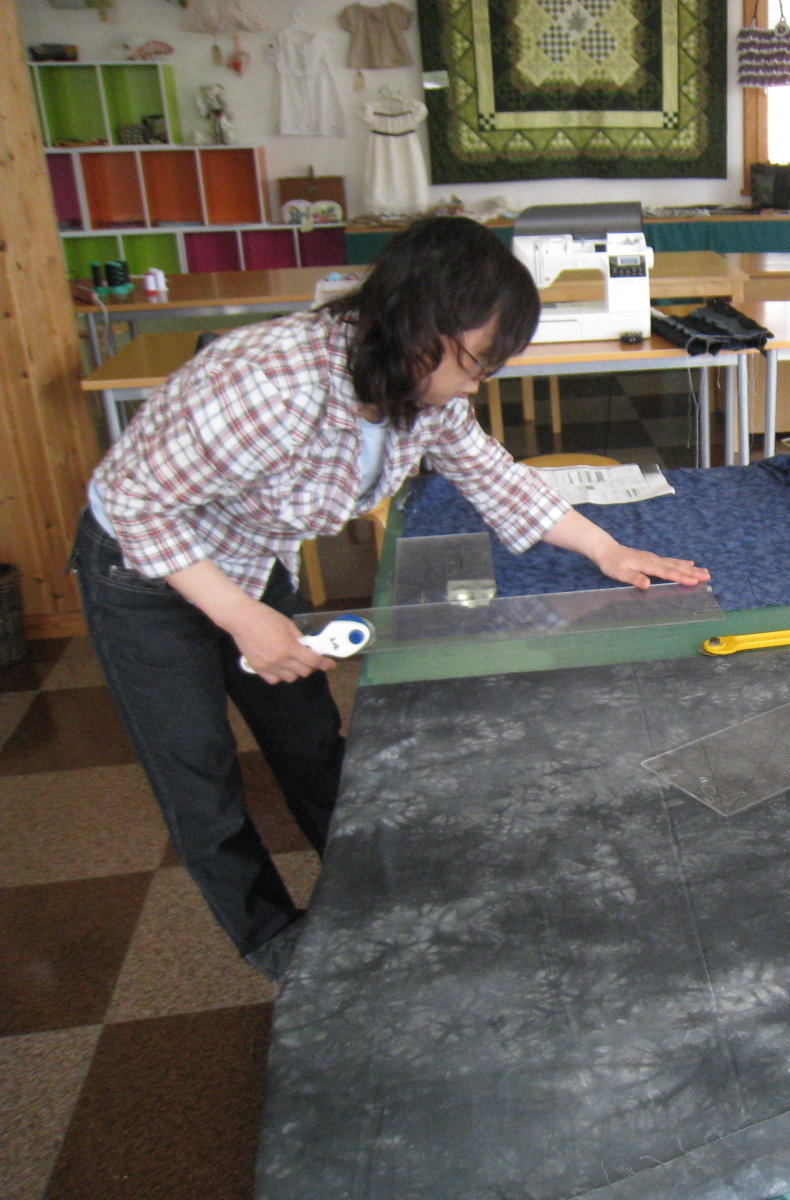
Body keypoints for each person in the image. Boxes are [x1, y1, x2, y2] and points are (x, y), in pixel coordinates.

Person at [74, 217, 708, 982]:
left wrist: (606, 548)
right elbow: (133, 501)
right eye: (476, 362)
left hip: (248, 557)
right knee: (199, 775)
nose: (477, 383)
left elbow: (490, 472)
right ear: (420, 329)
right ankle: (276, 944)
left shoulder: (417, 384)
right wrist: (240, 617)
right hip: (142, 573)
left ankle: (365, 885)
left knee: (309, 739)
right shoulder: (272, 384)